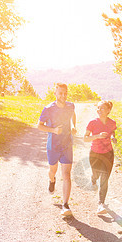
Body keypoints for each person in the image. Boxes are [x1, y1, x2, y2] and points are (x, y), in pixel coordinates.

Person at [37, 83, 77, 216]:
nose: (63, 95)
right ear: (55, 93)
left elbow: (73, 115)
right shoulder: (48, 109)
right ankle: (52, 180)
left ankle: (65, 205)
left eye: (65, 93)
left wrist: (73, 126)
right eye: (60, 93)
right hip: (53, 145)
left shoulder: (71, 106)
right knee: (52, 171)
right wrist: (53, 130)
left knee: (66, 174)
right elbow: (40, 126)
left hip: (66, 145)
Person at [83, 100, 117, 214]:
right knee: (97, 174)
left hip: (108, 153)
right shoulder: (92, 123)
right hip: (95, 153)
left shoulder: (112, 123)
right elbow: (86, 138)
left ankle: (101, 204)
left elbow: (112, 132)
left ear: (108, 111)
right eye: (98, 108)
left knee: (105, 178)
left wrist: (112, 137)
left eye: (102, 108)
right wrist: (98, 136)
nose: (99, 110)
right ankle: (93, 177)